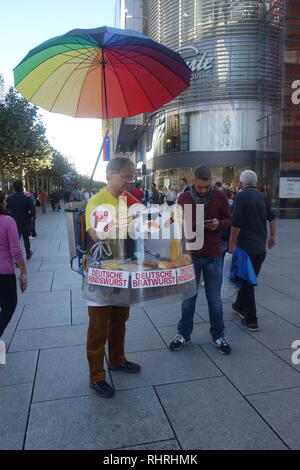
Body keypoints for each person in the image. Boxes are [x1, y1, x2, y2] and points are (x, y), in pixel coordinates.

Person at [85, 157, 141, 399]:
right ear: (110, 175)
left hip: (124, 269)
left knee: (120, 318)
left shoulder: (127, 199)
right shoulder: (96, 202)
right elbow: (96, 235)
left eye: (131, 178)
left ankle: (118, 359)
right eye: (125, 177)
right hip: (101, 272)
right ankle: (96, 376)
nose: (128, 182)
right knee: (98, 326)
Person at [169, 166, 232, 354]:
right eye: (200, 187)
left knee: (214, 299)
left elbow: (229, 219)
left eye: (207, 187)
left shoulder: (219, 196)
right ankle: (184, 334)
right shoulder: (184, 197)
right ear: (194, 181)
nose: (203, 190)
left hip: (213, 254)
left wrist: (218, 224)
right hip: (191, 254)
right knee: (188, 298)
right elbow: (177, 222)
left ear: (211, 181)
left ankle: (218, 336)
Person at [229, 170, 276, 331]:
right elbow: (272, 218)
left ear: (241, 183)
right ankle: (239, 306)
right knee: (248, 278)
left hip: (245, 248)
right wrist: (272, 237)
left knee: (248, 282)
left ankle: (251, 320)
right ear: (255, 183)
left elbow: (236, 223)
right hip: (260, 249)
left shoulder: (240, 196)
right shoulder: (263, 196)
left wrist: (231, 243)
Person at [0, 191, 28, 340]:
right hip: (4, 273)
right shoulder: (7, 221)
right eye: (4, 200)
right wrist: (24, 273)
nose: (6, 202)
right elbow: (15, 250)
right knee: (9, 307)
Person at [7, 181, 35, 260]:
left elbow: (6, 210)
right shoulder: (26, 198)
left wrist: (10, 217)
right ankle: (28, 253)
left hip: (13, 223)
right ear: (22, 187)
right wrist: (28, 217)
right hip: (25, 222)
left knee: (15, 241)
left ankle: (16, 258)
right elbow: (33, 211)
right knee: (26, 239)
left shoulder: (9, 199)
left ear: (14, 188)